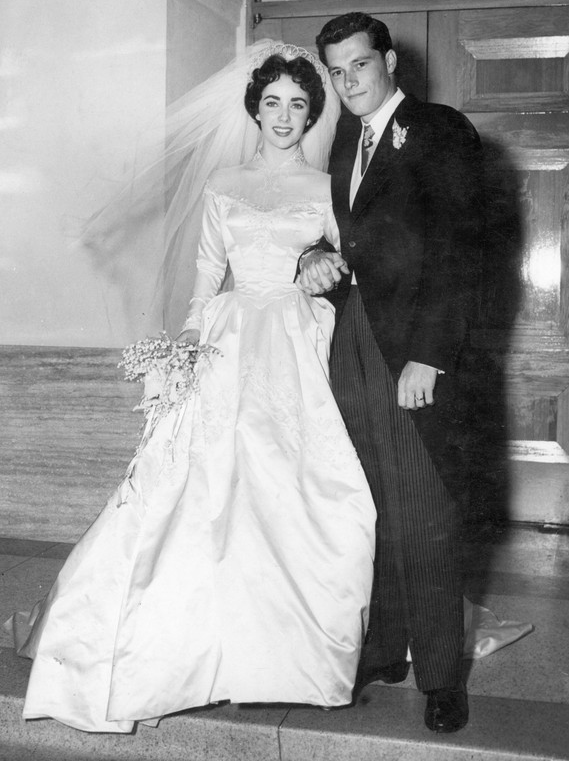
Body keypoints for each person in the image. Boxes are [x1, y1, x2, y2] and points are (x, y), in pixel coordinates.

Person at [9, 44, 377, 733]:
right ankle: (185, 651)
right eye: (272, 101)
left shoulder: (327, 188)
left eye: (298, 103)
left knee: (297, 490)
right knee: (201, 488)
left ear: (312, 114)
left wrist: (325, 265)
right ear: (253, 108)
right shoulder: (223, 185)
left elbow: (355, 264)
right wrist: (180, 357)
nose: (284, 116)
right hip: (228, 340)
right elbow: (207, 279)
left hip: (297, 344)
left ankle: (282, 658)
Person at [299, 12, 486, 733]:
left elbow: (457, 248)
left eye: (359, 66)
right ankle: (383, 648)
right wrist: (308, 257)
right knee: (366, 507)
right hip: (351, 347)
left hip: (411, 354)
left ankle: (441, 677)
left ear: (389, 63)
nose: (348, 82)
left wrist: (430, 354)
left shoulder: (439, 131)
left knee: (423, 515)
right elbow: (329, 233)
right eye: (336, 71)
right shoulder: (343, 142)